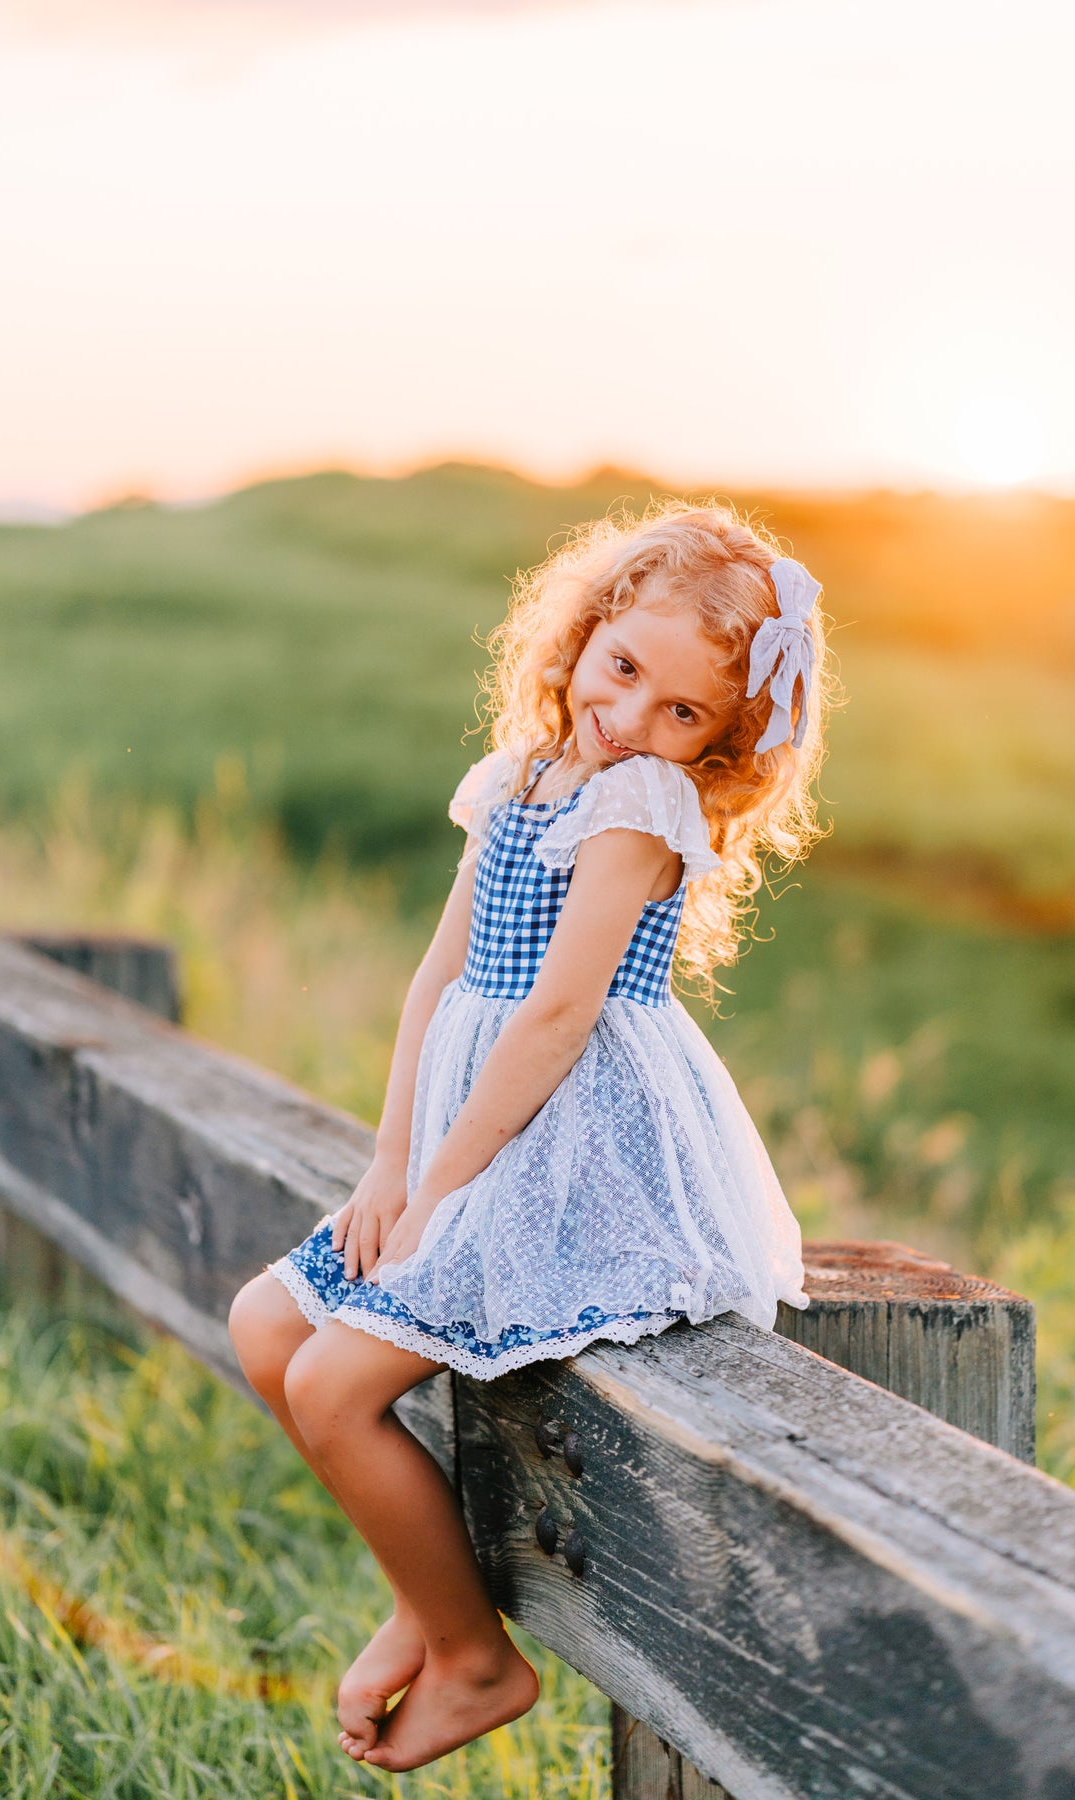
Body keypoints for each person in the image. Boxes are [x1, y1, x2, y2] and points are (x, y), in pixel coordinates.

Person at [228, 501, 832, 1773]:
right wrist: (393, 1166)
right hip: (461, 1136)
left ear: (720, 741)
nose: (634, 721)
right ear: (587, 626)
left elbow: (560, 1018)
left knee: (335, 1384)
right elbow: (439, 977)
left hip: (565, 1150)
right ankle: (426, 1597)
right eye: (624, 672)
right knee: (269, 1326)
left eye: (685, 713)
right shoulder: (521, 775)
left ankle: (476, 1657)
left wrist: (448, 1189)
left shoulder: (639, 811)